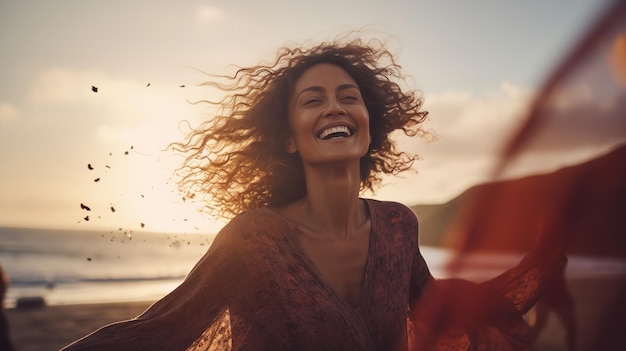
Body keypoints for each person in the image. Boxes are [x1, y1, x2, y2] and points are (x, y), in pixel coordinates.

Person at [61, 36, 563, 351]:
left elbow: (441, 315)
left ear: (370, 127)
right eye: (313, 100)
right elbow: (157, 333)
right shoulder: (255, 239)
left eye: (349, 97)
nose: (335, 108)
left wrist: (541, 263)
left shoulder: (397, 226)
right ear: (286, 137)